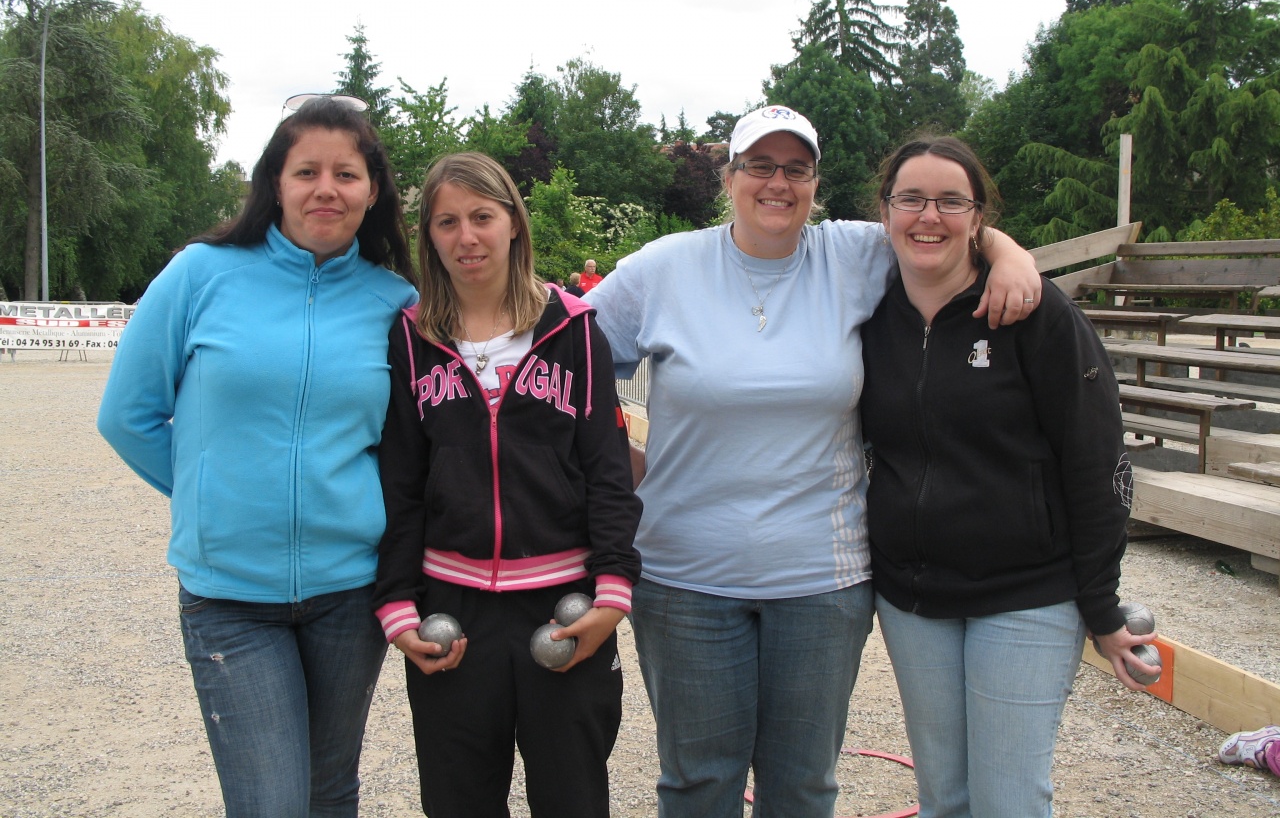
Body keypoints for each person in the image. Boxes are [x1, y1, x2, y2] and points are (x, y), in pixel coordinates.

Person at [583, 105, 1043, 818]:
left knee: (801, 786)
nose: (778, 183)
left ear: (815, 182)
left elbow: (939, 227)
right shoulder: (666, 268)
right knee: (699, 782)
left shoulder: (853, 254)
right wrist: (625, 462)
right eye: (759, 166)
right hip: (684, 579)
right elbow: (566, 365)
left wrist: (1010, 255)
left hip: (820, 582)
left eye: (795, 169)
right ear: (729, 178)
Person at [96, 95, 418, 818]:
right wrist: (209, 495)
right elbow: (128, 416)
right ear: (275, 182)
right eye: (306, 171)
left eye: (347, 173)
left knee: (331, 792)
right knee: (270, 803)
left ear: (373, 191)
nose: (326, 188)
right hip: (230, 597)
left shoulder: (398, 302)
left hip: (349, 593)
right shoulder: (200, 274)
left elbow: (415, 441)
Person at [860, 135, 1158, 818]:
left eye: (950, 201)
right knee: (945, 799)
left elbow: (1095, 461)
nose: (928, 216)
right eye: (911, 198)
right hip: (913, 601)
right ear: (885, 211)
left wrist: (1102, 605)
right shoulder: (869, 312)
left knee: (1007, 803)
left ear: (979, 215)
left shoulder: (1033, 313)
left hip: (1026, 595)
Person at [373, 152, 642, 818]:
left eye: (482, 217)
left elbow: (609, 468)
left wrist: (614, 586)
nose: (467, 237)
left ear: (513, 223)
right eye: (447, 222)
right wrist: (397, 604)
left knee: (572, 798)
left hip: (564, 602)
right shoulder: (411, 339)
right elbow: (400, 482)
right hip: (455, 614)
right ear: (428, 236)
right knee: (459, 802)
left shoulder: (574, 330)